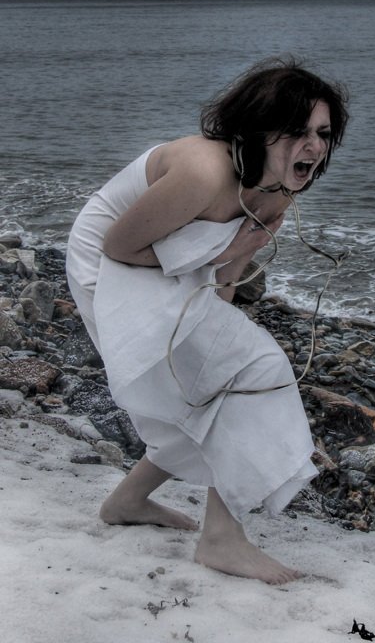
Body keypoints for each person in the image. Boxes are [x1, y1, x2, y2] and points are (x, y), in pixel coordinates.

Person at [66, 58, 349, 584]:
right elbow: (120, 246)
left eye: (323, 133)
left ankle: (127, 501)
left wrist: (219, 325)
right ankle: (221, 539)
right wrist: (227, 256)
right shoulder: (204, 172)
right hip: (109, 264)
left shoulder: (280, 189)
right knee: (259, 368)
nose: (313, 146)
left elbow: (226, 278)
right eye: (297, 131)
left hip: (174, 261)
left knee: (205, 387)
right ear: (258, 128)